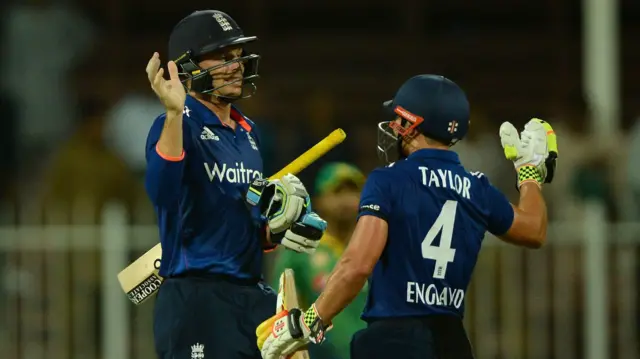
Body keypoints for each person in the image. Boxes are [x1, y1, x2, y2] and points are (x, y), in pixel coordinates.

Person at [256, 74, 558, 359]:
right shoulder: (477, 187)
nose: (393, 125)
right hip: (452, 340)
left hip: (394, 337)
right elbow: (534, 230)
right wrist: (529, 174)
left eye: (399, 118)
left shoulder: (389, 180)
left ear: (414, 125)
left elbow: (357, 265)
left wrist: (309, 321)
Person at [144, 10, 327, 359]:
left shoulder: (249, 132)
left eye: (238, 56)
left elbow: (241, 217)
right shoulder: (176, 123)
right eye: (223, 57)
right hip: (198, 297)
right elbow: (162, 193)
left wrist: (277, 227)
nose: (237, 65)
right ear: (188, 66)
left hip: (250, 294)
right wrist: (172, 113)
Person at [270, 162, 368, 359]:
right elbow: (280, 310)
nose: (346, 200)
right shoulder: (299, 249)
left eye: (353, 192)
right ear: (319, 200)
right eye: (337, 192)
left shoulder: (372, 247)